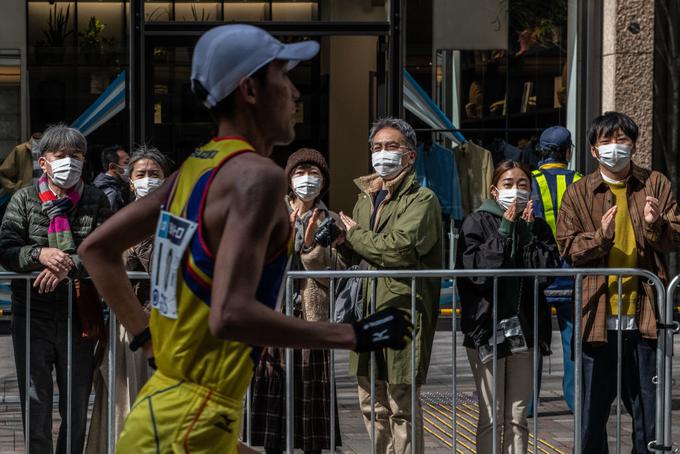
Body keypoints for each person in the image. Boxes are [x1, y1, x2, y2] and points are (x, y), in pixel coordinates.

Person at [77, 24, 412, 454]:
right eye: (284, 76)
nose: (295, 93)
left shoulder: (197, 168)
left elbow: (97, 249)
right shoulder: (258, 176)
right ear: (249, 88)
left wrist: (146, 337)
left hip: (173, 413)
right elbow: (230, 314)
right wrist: (352, 334)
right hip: (187, 423)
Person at [556, 111, 680, 453]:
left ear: (634, 145)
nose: (615, 147)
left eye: (622, 140)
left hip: (646, 317)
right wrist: (601, 237)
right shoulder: (579, 193)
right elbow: (568, 247)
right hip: (597, 317)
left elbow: (674, 238)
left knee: (649, 416)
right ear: (594, 150)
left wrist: (656, 225)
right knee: (591, 416)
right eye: (606, 141)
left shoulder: (655, 184)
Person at [0, 124, 111, 454]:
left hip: (78, 317)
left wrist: (66, 266)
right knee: (36, 403)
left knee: (77, 405)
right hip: (32, 316)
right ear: (43, 162)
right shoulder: (24, 199)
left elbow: (105, 250)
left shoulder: (95, 199)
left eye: (76, 156)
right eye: (60, 156)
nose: (69, 162)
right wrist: (39, 254)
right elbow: (6, 250)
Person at [338, 117, 442, 454]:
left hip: (403, 313)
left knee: (402, 405)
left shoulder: (422, 200)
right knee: (371, 402)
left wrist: (354, 235)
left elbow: (399, 248)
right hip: (367, 312)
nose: (383, 154)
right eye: (377, 147)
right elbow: (361, 252)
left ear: (410, 156)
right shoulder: (365, 198)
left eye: (392, 146)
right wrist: (342, 241)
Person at [458, 160, 559, 453]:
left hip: (524, 331)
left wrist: (526, 235)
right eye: (508, 184)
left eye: (523, 184)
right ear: (494, 189)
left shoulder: (537, 226)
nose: (516, 190)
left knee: (517, 416)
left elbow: (547, 272)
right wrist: (505, 231)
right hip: (486, 329)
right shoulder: (477, 222)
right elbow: (476, 271)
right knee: (492, 414)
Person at [250, 148, 343, 454]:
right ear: (289, 179)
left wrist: (312, 250)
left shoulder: (332, 221)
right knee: (276, 391)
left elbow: (336, 272)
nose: (307, 179)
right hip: (275, 317)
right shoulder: (270, 213)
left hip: (311, 318)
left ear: (324, 180)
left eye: (314, 173)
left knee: (310, 391)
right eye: (300, 172)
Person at [85, 145, 171, 454]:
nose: (148, 180)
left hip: (170, 324)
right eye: (141, 174)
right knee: (126, 397)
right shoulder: (117, 218)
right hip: (129, 324)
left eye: (155, 174)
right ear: (130, 181)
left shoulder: (178, 220)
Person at [529, 125, 581, 414]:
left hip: (538, 274)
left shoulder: (529, 180)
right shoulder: (580, 179)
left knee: (533, 341)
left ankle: (528, 405)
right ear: (567, 152)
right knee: (574, 343)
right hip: (571, 274)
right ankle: (577, 403)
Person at [0, 132, 43, 220]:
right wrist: (15, 188)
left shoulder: (53, 150)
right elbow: (3, 173)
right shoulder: (21, 150)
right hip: (26, 198)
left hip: (48, 198)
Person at [93, 145, 130, 212]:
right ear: (113, 167)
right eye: (126, 163)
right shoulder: (110, 193)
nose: (130, 167)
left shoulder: (112, 185)